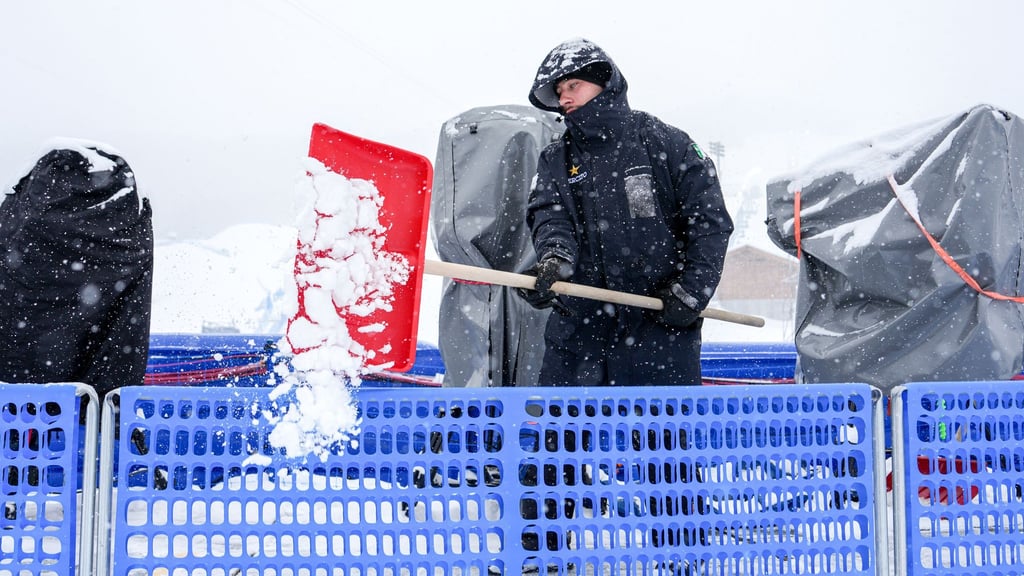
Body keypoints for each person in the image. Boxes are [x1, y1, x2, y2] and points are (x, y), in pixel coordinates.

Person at [521, 38, 734, 386]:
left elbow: (709, 222)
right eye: (559, 91)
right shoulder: (555, 159)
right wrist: (555, 260)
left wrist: (691, 292)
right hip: (578, 338)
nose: (564, 98)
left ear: (604, 80)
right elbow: (550, 216)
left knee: (660, 438)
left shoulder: (666, 143)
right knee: (566, 438)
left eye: (573, 85)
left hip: (660, 334)